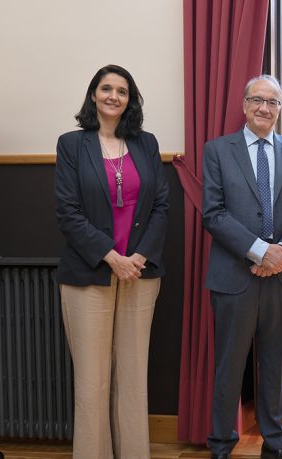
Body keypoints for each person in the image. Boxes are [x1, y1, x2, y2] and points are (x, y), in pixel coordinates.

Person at [202, 74, 282, 459]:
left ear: (280, 109)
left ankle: (275, 444)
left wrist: (281, 251)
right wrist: (258, 250)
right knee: (230, 367)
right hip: (234, 277)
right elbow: (213, 214)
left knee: (274, 364)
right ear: (244, 105)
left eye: (272, 102)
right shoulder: (218, 150)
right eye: (257, 100)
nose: (264, 108)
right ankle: (221, 445)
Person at [55, 64, 170, 458]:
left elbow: (161, 208)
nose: (113, 96)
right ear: (93, 95)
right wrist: (111, 257)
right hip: (89, 274)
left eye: (122, 91)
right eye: (106, 89)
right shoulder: (72, 144)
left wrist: (136, 258)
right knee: (92, 384)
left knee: (133, 380)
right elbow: (67, 212)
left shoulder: (146, 143)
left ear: (129, 99)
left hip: (140, 272)